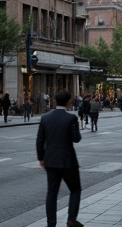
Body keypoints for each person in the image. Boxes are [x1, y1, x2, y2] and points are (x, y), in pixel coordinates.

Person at [35, 89, 83, 227]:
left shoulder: (45, 118)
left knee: (52, 193)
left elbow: (39, 140)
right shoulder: (71, 118)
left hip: (50, 160)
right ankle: (71, 219)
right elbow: (76, 139)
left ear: (55, 101)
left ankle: (51, 223)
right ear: (69, 102)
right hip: (68, 161)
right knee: (75, 189)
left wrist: (41, 159)